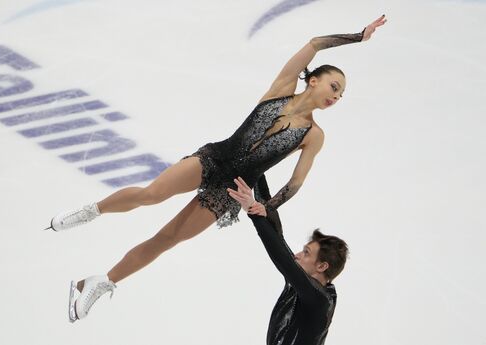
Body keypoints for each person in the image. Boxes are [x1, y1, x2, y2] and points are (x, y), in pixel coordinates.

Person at [49, 15, 387, 322]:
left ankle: (98, 282)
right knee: (152, 194)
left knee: (167, 239)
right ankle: (92, 211)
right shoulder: (283, 88)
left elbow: (295, 183)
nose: (336, 96)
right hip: (213, 159)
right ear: (313, 80)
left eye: (341, 95)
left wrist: (261, 207)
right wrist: (358, 37)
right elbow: (313, 44)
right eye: (334, 87)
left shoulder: (314, 135)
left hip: (231, 191)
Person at [228, 177, 348, 345]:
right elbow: (277, 236)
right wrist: (258, 169)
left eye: (306, 253)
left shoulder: (320, 301)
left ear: (321, 266)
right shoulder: (303, 284)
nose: (297, 255)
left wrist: (254, 214)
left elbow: (284, 260)